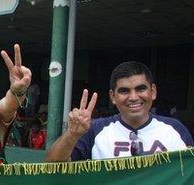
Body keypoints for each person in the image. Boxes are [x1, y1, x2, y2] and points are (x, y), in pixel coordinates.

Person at [46, 61, 193, 161]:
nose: (133, 97)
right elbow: (53, 164)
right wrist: (72, 134)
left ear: (153, 91)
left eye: (141, 88)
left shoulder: (175, 129)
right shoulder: (94, 129)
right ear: (113, 96)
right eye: (124, 91)